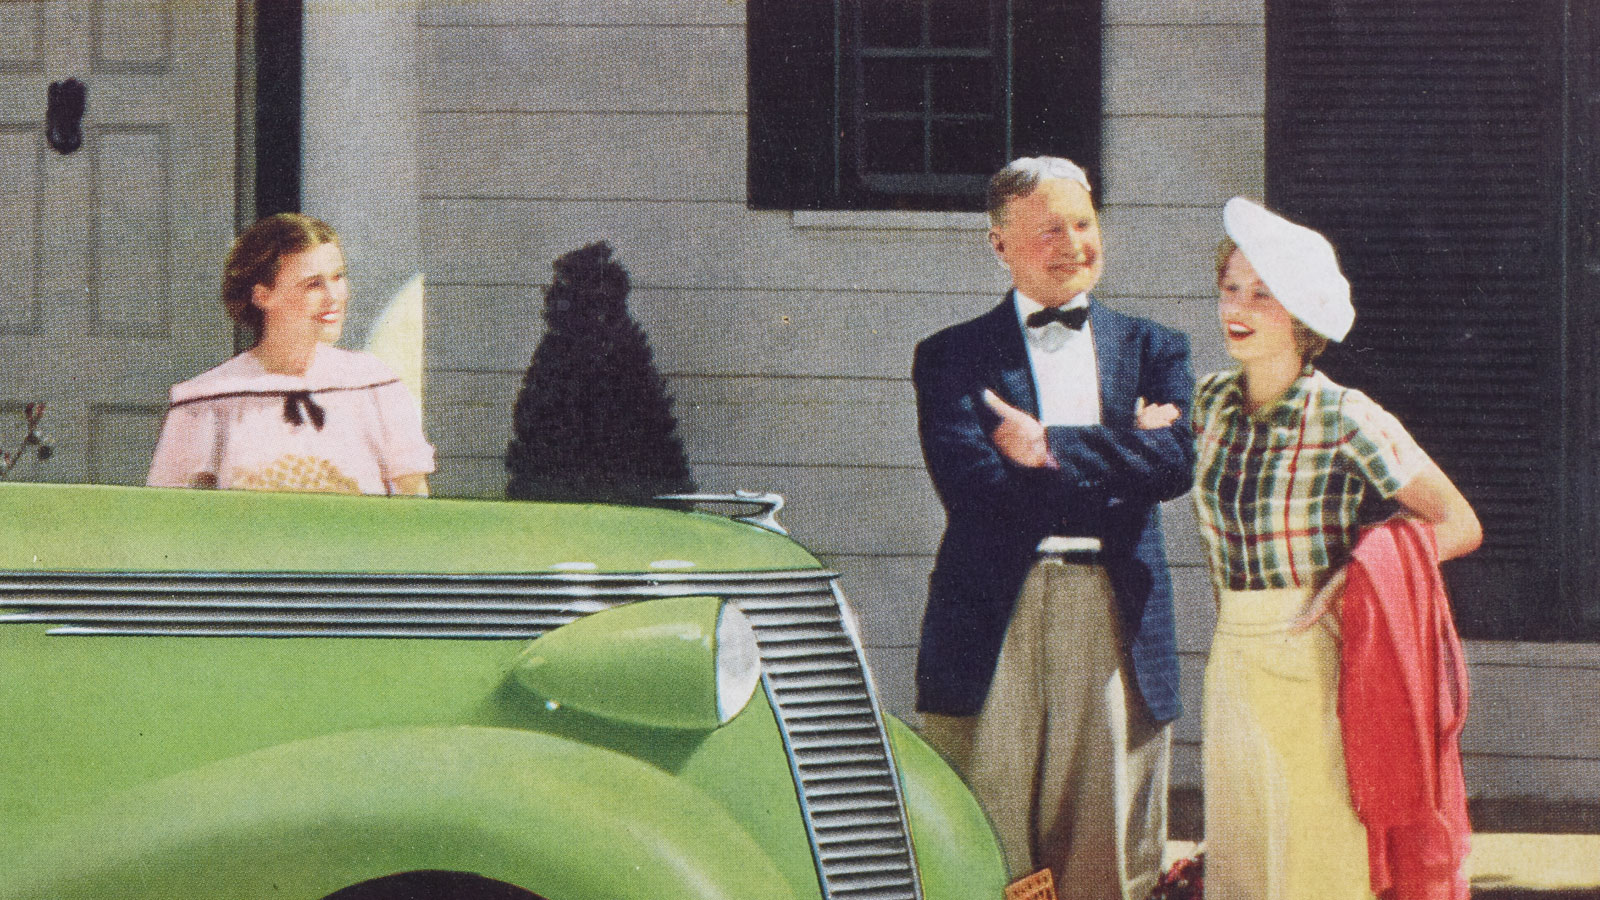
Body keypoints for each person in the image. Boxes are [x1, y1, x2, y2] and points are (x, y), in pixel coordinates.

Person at [912, 156, 1195, 898]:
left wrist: (1047, 448)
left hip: (1112, 611)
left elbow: (1175, 465)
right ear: (999, 244)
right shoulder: (951, 356)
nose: (1073, 244)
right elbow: (972, 488)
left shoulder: (1154, 348)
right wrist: (1122, 454)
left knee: (1106, 846)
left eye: (1083, 223)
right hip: (995, 611)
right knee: (989, 837)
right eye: (1048, 230)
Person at [1192, 196, 1482, 900]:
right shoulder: (1210, 403)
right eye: (1231, 287)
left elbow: (1459, 522)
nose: (1238, 307)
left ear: (1301, 315)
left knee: (1316, 858)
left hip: (1314, 655)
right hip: (1231, 655)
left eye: (1263, 294)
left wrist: (1362, 576)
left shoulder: (1343, 414)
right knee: (1242, 857)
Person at [148, 213, 434, 496]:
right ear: (263, 295)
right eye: (313, 284)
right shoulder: (205, 400)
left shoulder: (375, 384)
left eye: (338, 277)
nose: (333, 296)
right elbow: (168, 514)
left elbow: (414, 500)